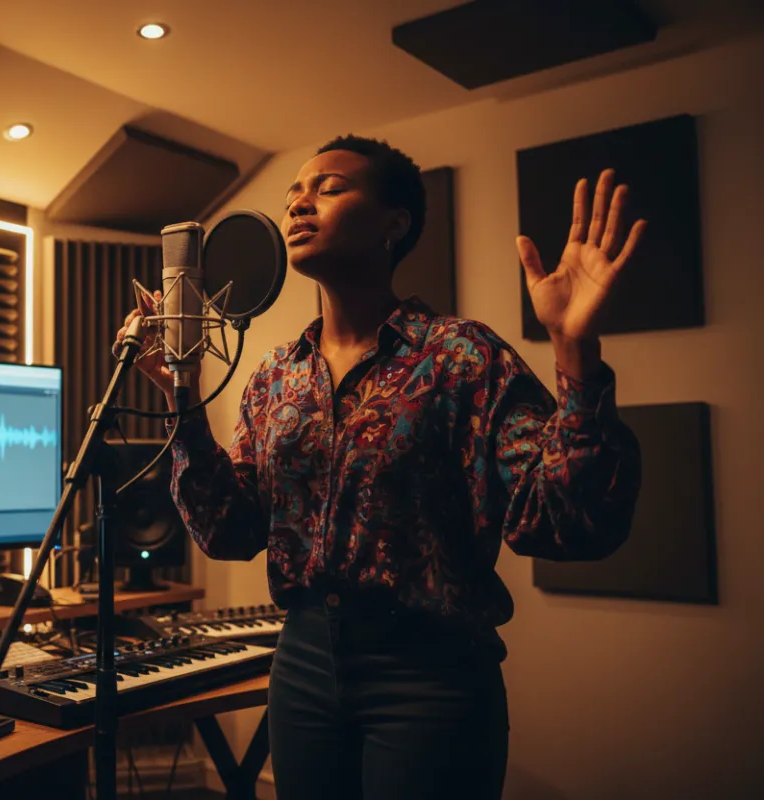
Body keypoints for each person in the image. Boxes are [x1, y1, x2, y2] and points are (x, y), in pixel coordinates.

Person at [115, 135, 644, 799]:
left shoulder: (461, 356)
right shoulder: (274, 377)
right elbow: (230, 531)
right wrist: (182, 398)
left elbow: (569, 523)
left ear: (395, 223)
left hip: (430, 675)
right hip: (302, 664)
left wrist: (576, 353)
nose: (300, 202)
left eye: (329, 187)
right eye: (292, 195)